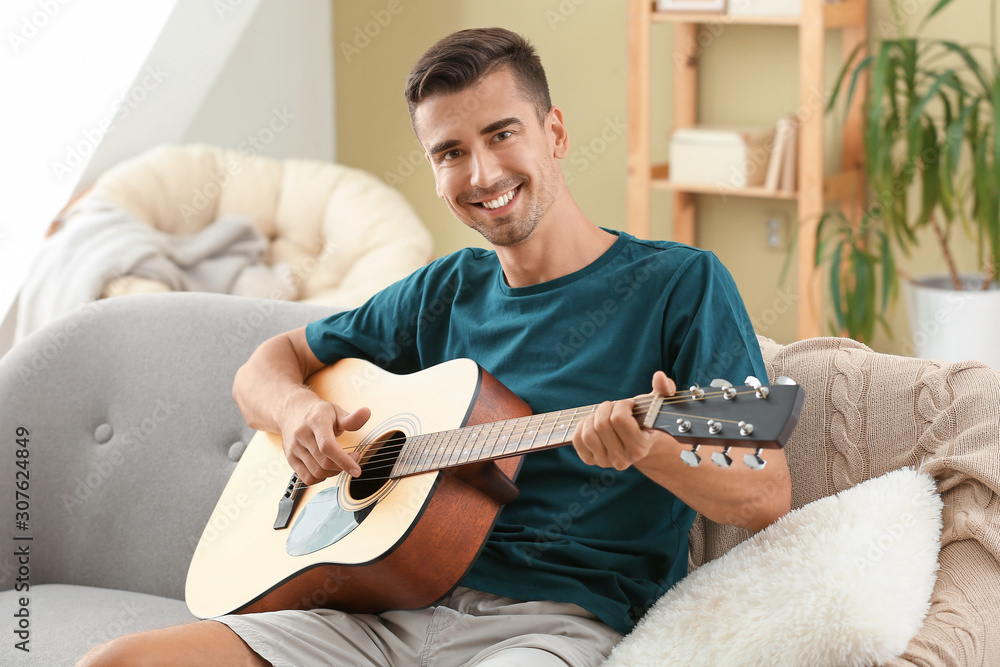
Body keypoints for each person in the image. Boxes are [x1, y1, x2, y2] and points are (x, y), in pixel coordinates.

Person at [78, 27, 791, 667]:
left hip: (550, 628)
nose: (481, 174)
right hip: (379, 610)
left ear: (556, 133)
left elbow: (766, 493)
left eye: (502, 134)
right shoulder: (446, 289)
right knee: (116, 662)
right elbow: (265, 366)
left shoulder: (680, 283)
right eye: (451, 152)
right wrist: (298, 413)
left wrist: (650, 449)